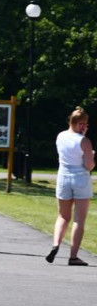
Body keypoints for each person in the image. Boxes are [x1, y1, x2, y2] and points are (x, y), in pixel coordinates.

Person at [46, 107, 94, 265]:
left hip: (63, 178)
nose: (84, 127)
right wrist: (91, 155)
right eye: (83, 124)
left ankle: (55, 244)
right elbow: (88, 165)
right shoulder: (84, 141)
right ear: (77, 123)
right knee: (78, 220)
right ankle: (73, 256)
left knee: (62, 216)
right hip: (81, 179)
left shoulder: (60, 136)